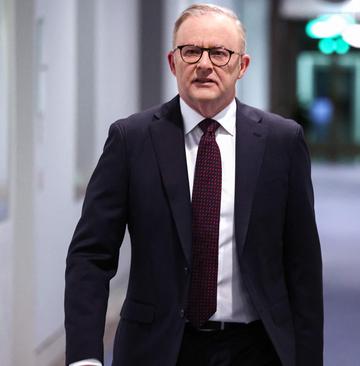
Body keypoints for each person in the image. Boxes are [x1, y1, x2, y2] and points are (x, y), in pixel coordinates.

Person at [64, 4, 322, 366]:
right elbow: (91, 255)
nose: (204, 64)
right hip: (157, 348)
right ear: (173, 62)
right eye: (191, 51)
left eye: (219, 53)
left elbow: (303, 266)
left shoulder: (282, 141)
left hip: (257, 348)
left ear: (242, 66)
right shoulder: (131, 139)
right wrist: (84, 356)